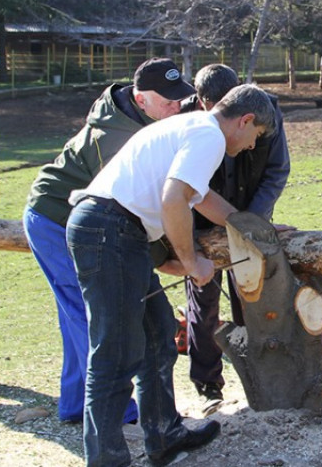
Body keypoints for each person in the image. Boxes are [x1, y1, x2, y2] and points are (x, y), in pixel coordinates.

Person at [66, 84, 276, 467]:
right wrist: (193, 263)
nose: (250, 146)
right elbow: (173, 199)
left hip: (115, 231)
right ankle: (106, 459)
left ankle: (165, 434)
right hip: (109, 230)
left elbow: (201, 199)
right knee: (115, 352)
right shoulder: (208, 136)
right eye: (255, 136)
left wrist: (254, 229)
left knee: (159, 334)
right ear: (245, 120)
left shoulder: (192, 127)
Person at [22, 57, 193, 424]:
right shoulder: (116, 137)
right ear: (140, 98)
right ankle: (115, 412)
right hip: (56, 220)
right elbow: (123, 211)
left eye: (179, 98)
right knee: (94, 315)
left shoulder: (152, 118)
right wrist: (164, 258)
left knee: (78, 316)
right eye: (168, 101)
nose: (176, 107)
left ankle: (73, 404)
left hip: (80, 220)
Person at [181, 64, 291, 412]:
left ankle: (261, 374)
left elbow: (276, 170)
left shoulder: (264, 110)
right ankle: (208, 382)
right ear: (201, 101)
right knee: (203, 297)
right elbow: (184, 188)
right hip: (200, 217)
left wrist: (253, 223)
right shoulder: (185, 118)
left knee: (253, 296)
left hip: (249, 210)